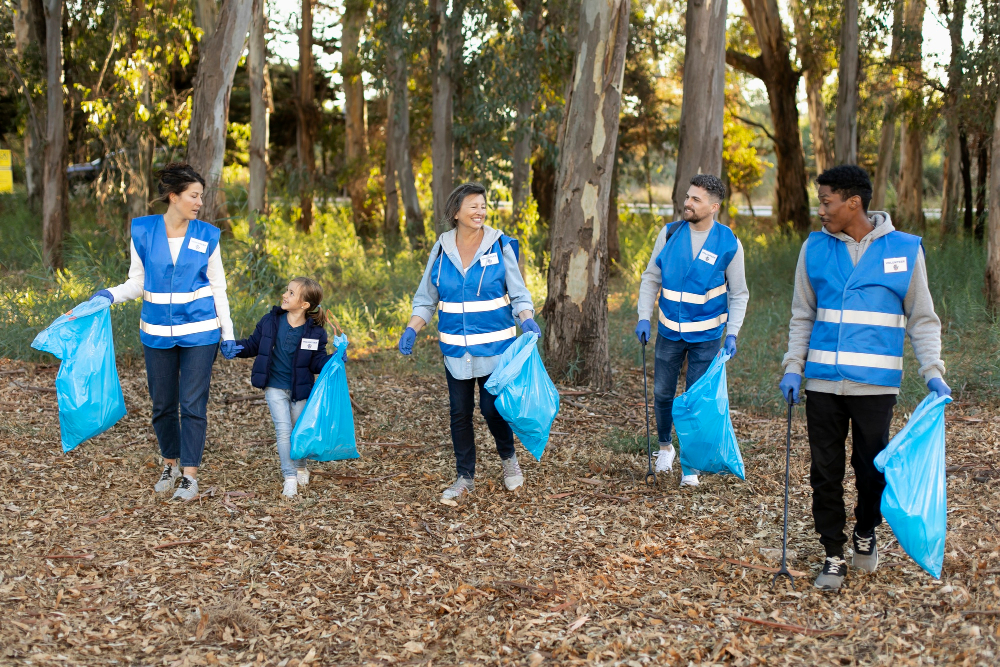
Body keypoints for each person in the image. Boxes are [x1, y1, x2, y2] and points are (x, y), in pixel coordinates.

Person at [779, 165, 949, 591]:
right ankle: (833, 553)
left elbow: (922, 318)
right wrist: (792, 367)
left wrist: (933, 372)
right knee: (825, 471)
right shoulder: (813, 248)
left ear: (853, 202)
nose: (820, 209)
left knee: (871, 471)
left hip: (875, 385)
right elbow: (803, 314)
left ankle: (865, 531)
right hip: (822, 383)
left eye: (826, 201)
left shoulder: (905, 249)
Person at [90, 163, 236, 501]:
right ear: (174, 197)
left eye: (201, 196)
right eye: (193, 196)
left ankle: (190, 475)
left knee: (193, 403)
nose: (199, 203)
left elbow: (218, 288)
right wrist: (109, 295)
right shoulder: (142, 232)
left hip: (201, 332)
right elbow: (137, 282)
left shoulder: (207, 236)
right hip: (156, 332)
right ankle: (170, 463)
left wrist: (227, 333)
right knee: (163, 405)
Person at [399, 182, 540, 502]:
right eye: (473, 206)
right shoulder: (441, 248)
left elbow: (518, 294)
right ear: (456, 212)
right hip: (456, 351)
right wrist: (412, 328)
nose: (480, 211)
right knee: (459, 412)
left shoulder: (499, 244)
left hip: (495, 348)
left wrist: (526, 317)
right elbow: (426, 299)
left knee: (492, 410)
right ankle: (465, 477)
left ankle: (510, 463)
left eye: (483, 206)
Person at [635, 174, 750, 487]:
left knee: (696, 400)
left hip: (708, 337)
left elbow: (739, 292)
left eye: (695, 199)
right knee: (662, 394)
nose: (687, 203)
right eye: (687, 196)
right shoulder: (670, 233)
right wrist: (644, 316)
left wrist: (732, 333)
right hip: (669, 331)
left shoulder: (729, 243)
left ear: (713, 207)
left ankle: (691, 465)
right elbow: (650, 278)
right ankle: (664, 448)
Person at [230, 278, 341, 498]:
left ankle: (301, 467)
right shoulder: (270, 321)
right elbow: (253, 345)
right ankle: (289, 477)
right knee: (283, 432)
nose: (285, 295)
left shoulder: (315, 332)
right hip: (274, 386)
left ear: (304, 305)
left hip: (300, 389)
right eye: (286, 291)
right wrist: (232, 346)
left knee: (299, 432)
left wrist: (334, 358)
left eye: (291, 293)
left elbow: (316, 362)